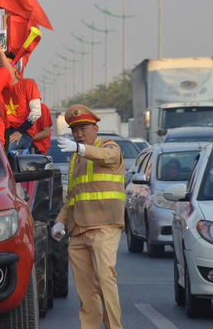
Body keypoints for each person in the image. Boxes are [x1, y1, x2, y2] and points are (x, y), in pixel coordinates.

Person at [51, 104, 125, 329]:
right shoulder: (76, 160)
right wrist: (59, 222)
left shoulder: (109, 147)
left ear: (95, 127)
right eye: (74, 130)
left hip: (105, 226)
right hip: (78, 231)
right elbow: (72, 197)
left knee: (105, 279)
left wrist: (81, 149)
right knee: (85, 290)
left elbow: (107, 157)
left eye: (83, 128)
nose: (79, 134)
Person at [0, 51, 42, 151]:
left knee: (3, 149)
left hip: (23, 133)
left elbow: (36, 112)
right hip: (4, 131)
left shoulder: (28, 84)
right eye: (1, 66)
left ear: (15, 67)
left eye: (7, 64)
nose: (4, 68)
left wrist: (20, 132)